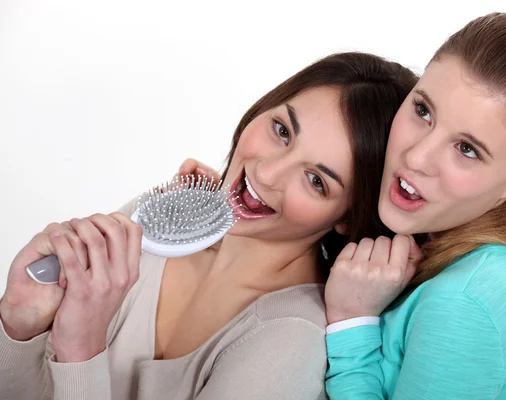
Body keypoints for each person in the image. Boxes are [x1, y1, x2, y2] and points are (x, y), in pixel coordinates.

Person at [0, 52, 418, 400]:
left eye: (316, 181)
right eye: (282, 130)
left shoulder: (290, 344)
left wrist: (80, 349)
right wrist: (19, 328)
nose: (267, 172)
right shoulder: (158, 218)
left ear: (346, 217)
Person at [323, 12, 506, 400]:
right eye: (423, 111)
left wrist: (352, 322)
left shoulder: (463, 304)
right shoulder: (488, 257)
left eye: (467, 149)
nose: (416, 158)